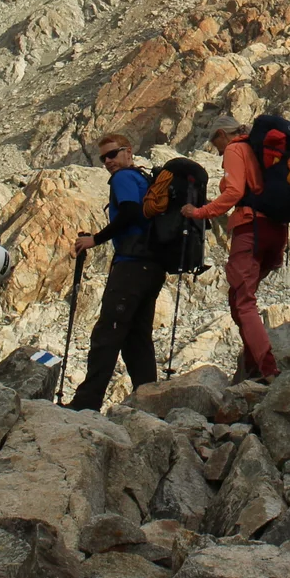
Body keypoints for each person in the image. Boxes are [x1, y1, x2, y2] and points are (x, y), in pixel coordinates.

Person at [67, 133, 168, 410]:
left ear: (128, 151)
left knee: (108, 333)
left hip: (132, 265)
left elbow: (129, 214)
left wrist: (94, 239)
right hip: (153, 267)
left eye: (113, 154)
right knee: (137, 338)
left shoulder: (124, 178)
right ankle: (150, 402)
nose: (109, 161)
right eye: (104, 158)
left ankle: (85, 403)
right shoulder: (143, 179)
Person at [182, 114, 286, 380]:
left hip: (250, 228)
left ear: (221, 134)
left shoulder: (235, 148)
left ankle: (268, 369)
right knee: (239, 299)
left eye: (213, 141)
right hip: (276, 229)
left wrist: (199, 212)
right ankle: (253, 367)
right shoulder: (257, 149)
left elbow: (234, 192)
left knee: (243, 302)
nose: (215, 149)